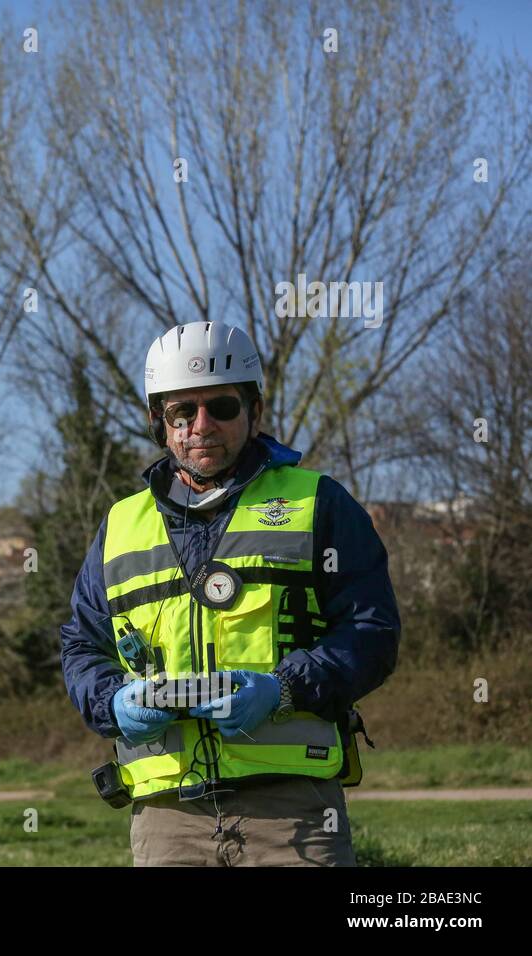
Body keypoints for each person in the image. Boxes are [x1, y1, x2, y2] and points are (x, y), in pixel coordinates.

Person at [60, 320, 400, 866]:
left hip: (293, 809)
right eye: (181, 412)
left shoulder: (320, 503)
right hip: (167, 815)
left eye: (221, 407)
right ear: (159, 422)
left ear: (255, 412)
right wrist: (113, 703)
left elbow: (371, 631)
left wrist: (283, 690)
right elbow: (81, 644)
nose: (202, 426)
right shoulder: (120, 524)